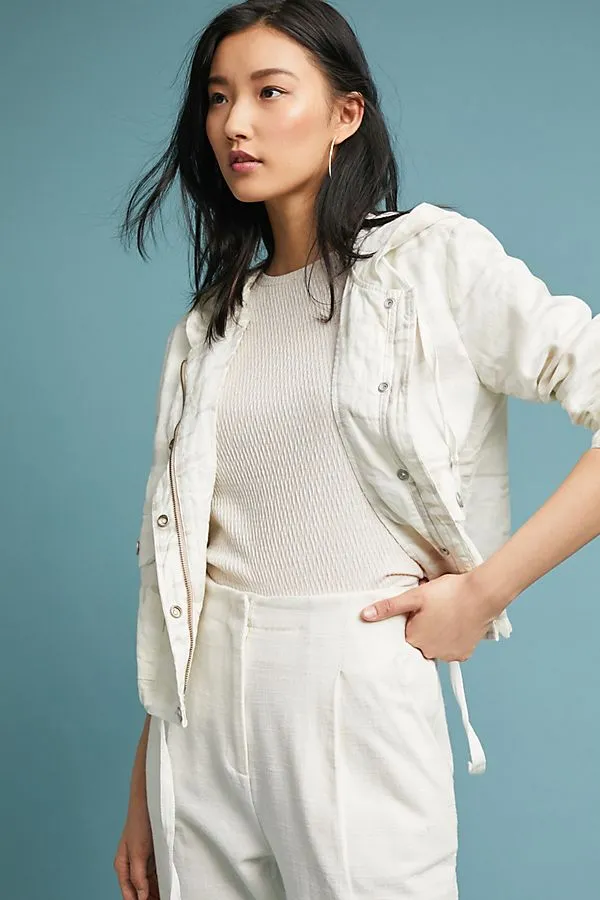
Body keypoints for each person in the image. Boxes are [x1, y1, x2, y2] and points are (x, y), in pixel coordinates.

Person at [113, 2, 600, 899]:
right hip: (199, 713)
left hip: (350, 681)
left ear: (346, 114)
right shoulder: (205, 329)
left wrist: (485, 592)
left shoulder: (429, 263)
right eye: (218, 98)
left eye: (269, 91)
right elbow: (182, 573)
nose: (236, 123)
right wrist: (148, 777)